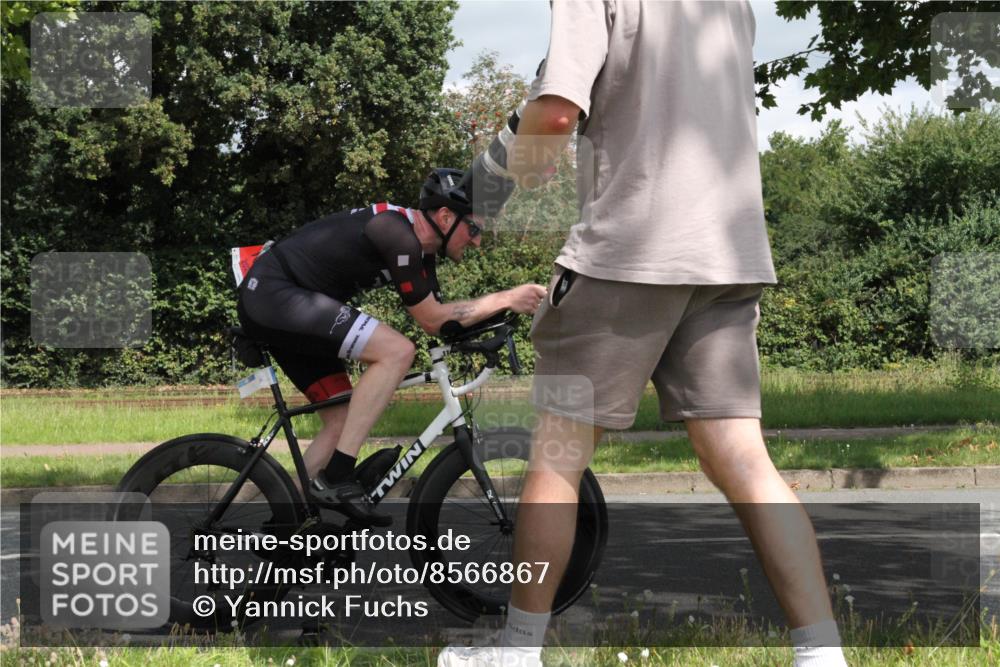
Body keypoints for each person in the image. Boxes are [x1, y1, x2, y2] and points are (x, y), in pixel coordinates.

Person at [440, 2, 848, 667]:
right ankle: (822, 653)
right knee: (744, 458)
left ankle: (514, 654)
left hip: (631, 253)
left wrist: (492, 183)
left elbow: (557, 115)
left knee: (556, 456)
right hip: (727, 255)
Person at [236, 168, 546, 526]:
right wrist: (506, 297)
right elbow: (430, 319)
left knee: (341, 421)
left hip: (287, 303)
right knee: (397, 351)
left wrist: (498, 324)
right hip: (275, 294)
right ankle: (337, 476)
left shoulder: (422, 255)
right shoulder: (397, 233)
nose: (477, 241)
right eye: (473, 229)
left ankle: (289, 526)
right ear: (445, 217)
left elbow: (445, 323)